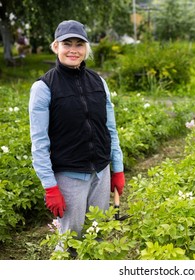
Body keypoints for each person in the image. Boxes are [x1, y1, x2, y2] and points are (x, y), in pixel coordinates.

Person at [29, 20, 125, 244]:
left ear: (86, 48)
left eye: (79, 44)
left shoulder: (99, 82)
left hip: (101, 173)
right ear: (56, 46)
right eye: (67, 43)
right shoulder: (43, 87)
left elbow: (110, 128)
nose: (73, 50)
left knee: (98, 237)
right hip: (69, 176)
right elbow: (40, 142)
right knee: (71, 242)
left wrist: (117, 168)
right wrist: (50, 187)